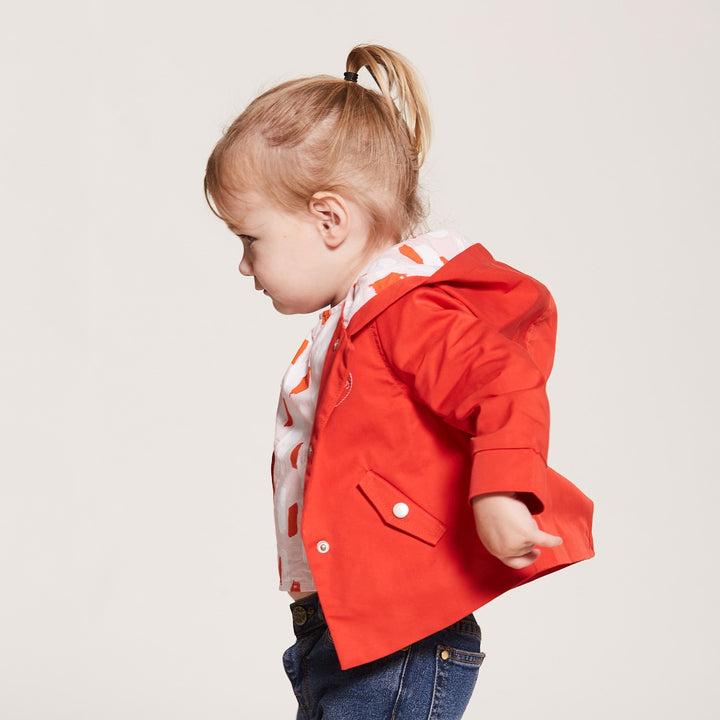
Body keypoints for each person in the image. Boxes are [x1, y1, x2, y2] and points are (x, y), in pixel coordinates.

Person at [204, 44, 594, 720]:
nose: (245, 266)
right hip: (349, 629)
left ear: (330, 220)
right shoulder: (360, 318)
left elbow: (502, 382)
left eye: (251, 240)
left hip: (400, 640)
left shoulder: (405, 311)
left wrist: (502, 485)